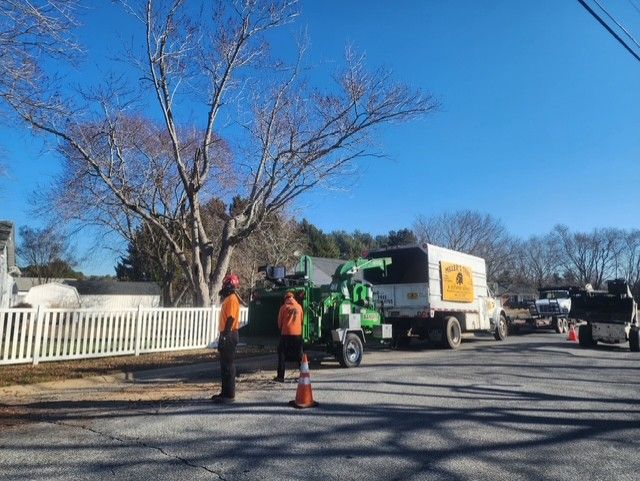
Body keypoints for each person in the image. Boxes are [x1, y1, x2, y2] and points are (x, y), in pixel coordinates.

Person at [212, 274, 241, 404]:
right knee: (224, 365)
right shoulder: (229, 299)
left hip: (229, 334)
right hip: (226, 334)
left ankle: (229, 395)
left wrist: (224, 335)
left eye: (225, 284)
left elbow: (230, 318)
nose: (223, 286)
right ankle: (224, 393)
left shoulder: (232, 299)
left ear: (229, 285)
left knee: (228, 365)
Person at [275, 291, 304, 382]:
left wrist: (282, 329)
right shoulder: (299, 307)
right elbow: (302, 320)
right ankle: (304, 375)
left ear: (286, 299)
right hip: (297, 335)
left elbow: (279, 322)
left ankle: (280, 377)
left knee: (282, 355)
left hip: (286, 334)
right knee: (299, 356)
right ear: (293, 298)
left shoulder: (283, 308)